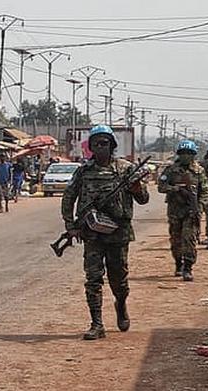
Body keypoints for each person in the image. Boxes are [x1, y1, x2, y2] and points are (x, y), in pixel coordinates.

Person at [61, 125, 149, 341]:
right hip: (92, 233)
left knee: (118, 278)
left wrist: (136, 188)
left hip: (118, 232)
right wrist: (70, 225)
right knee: (93, 278)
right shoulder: (84, 171)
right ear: (91, 147)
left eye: (105, 143)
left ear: (112, 145)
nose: (101, 147)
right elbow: (69, 197)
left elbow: (143, 198)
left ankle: (121, 304)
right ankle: (97, 323)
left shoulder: (126, 169)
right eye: (97, 143)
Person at [158, 140, 208, 281]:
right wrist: (176, 189)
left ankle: (188, 267)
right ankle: (178, 263)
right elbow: (161, 186)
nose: (186, 156)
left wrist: (200, 207)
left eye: (189, 153)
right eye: (183, 153)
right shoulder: (171, 170)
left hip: (191, 211)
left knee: (189, 239)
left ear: (193, 155)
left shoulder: (199, 172)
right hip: (175, 210)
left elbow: (204, 191)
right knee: (176, 240)